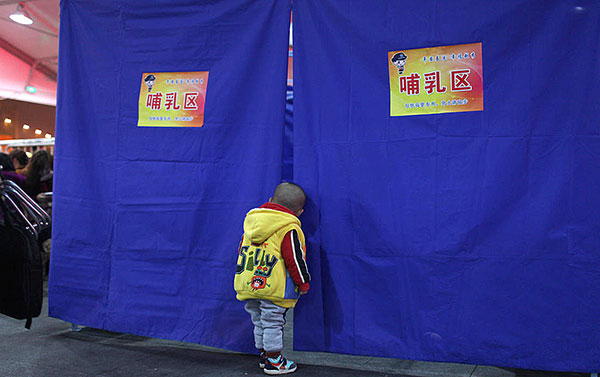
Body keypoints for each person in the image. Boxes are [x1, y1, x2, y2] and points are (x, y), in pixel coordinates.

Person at [234, 182, 310, 375]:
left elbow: (241, 250)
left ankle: (264, 354)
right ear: (299, 212)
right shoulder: (289, 228)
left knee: (258, 320)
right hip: (272, 286)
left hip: (247, 283)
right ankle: (275, 360)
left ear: (269, 201)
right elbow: (295, 258)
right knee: (273, 322)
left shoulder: (251, 222)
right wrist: (302, 283)